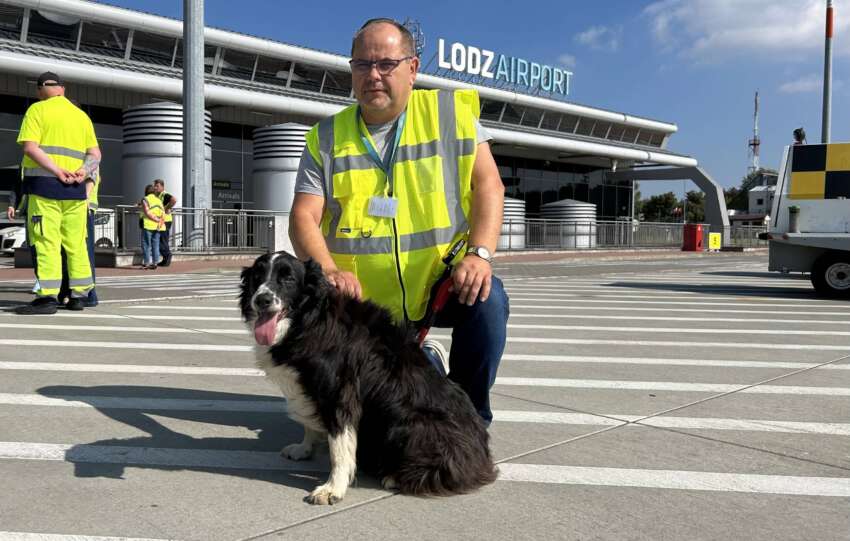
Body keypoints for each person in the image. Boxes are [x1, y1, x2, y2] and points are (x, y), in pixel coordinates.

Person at [289, 18, 509, 425]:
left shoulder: (450, 115)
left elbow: (489, 186)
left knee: (488, 297)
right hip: (363, 302)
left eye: (386, 64)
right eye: (361, 65)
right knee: (378, 427)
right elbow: (303, 214)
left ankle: (470, 415)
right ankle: (420, 359)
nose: (373, 75)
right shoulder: (325, 137)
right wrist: (329, 270)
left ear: (413, 68)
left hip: (438, 285)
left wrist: (480, 254)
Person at [14, 71, 100, 315]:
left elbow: (30, 148)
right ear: (63, 89)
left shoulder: (38, 110)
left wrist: (57, 170)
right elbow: (95, 155)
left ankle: (47, 297)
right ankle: (78, 296)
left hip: (45, 188)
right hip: (75, 191)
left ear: (42, 89)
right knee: (76, 243)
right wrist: (82, 172)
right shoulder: (82, 117)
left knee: (46, 241)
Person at [58, 166, 101, 307]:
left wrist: (85, 197)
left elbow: (92, 176)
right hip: (73, 205)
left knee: (82, 252)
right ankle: (69, 293)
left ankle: (88, 296)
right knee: (71, 252)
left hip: (82, 206)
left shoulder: (86, 152)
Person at [139, 184, 165, 270]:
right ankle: (155, 263)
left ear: (146, 191)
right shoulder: (158, 200)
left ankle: (146, 263)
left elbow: (147, 212)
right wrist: (159, 221)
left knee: (146, 244)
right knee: (155, 244)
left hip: (148, 225)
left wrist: (155, 219)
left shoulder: (145, 199)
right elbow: (162, 213)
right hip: (157, 226)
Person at [152, 178, 176, 266]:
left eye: (157, 186)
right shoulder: (157, 195)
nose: (155, 188)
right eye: (154, 186)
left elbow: (174, 199)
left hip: (165, 220)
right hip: (161, 220)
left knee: (162, 240)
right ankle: (165, 259)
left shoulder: (164, 194)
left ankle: (167, 256)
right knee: (161, 240)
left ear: (162, 186)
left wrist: (167, 208)